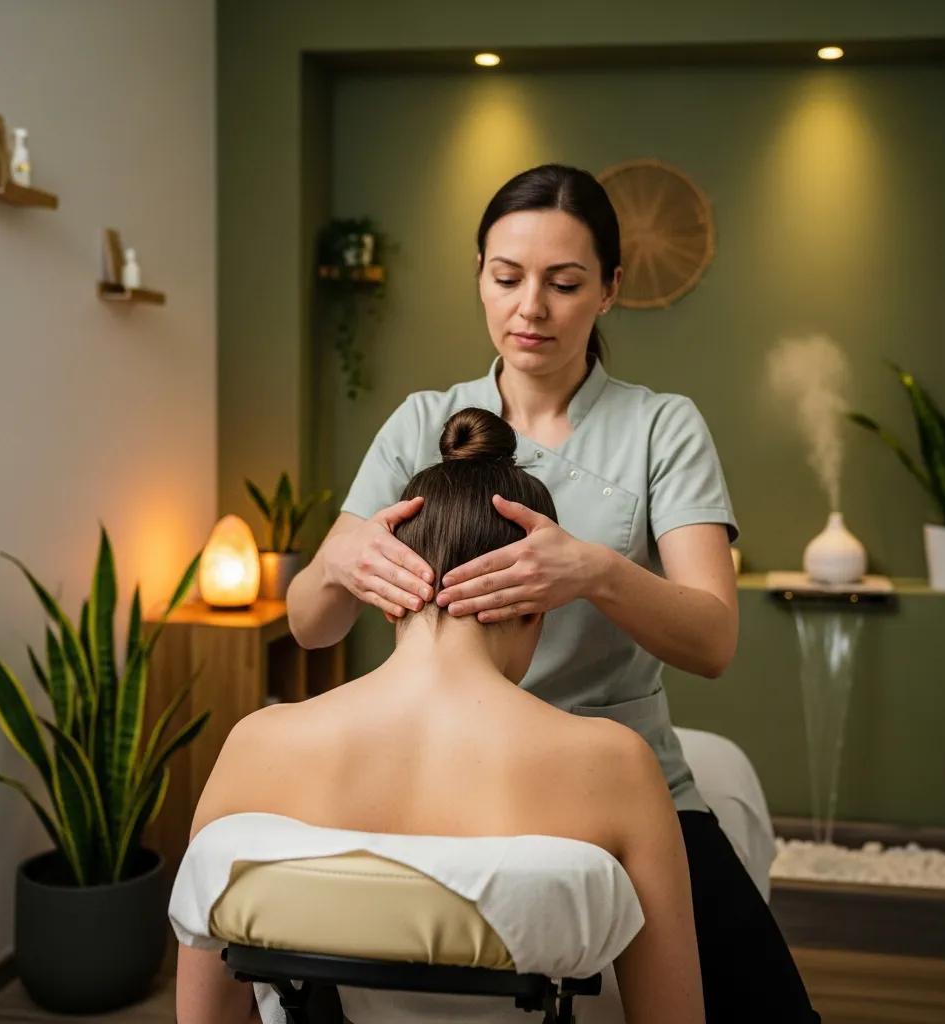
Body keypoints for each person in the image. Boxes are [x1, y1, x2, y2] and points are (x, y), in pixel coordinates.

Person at [286, 164, 820, 1023]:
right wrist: (336, 566)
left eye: (564, 283)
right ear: (480, 277)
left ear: (609, 289)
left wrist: (598, 572)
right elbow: (309, 625)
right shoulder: (422, 423)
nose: (530, 307)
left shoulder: (660, 427)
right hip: (433, 765)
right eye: (506, 278)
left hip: (617, 778)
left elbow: (713, 642)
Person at [177, 407, 705, 1024]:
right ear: (536, 608)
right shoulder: (617, 764)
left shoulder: (254, 745)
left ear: (385, 598)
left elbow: (203, 1016)